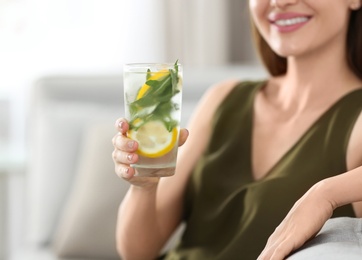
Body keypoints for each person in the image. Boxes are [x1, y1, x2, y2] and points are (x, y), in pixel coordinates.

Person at [112, 0, 362, 259]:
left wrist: (326, 195)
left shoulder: (356, 119)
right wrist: (144, 185)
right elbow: (136, 252)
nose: (280, 1)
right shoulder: (224, 98)